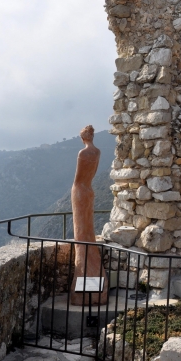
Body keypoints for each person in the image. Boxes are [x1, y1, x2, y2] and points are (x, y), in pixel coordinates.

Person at [70, 125, 107, 304]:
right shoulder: (97, 152)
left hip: (80, 191)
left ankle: (84, 275)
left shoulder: (82, 154)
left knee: (81, 234)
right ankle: (95, 278)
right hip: (90, 190)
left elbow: (78, 179)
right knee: (88, 232)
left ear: (83, 137)